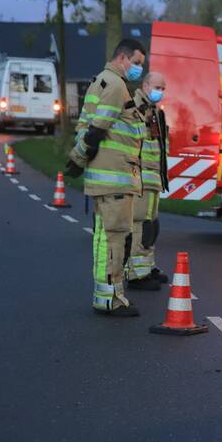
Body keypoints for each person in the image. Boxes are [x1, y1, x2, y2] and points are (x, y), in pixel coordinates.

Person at [66, 39, 147, 316]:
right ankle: (112, 297)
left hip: (109, 176)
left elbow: (88, 126)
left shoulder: (102, 82)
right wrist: (78, 158)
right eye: (137, 63)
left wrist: (78, 157)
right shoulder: (114, 84)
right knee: (115, 238)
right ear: (123, 58)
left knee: (105, 237)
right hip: (115, 177)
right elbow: (97, 129)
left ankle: (106, 295)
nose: (139, 69)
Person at [126, 71, 169, 290]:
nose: (160, 91)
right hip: (141, 177)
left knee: (151, 225)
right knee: (141, 225)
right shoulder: (136, 109)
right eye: (157, 87)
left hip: (152, 179)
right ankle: (136, 274)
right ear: (145, 85)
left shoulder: (155, 111)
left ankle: (147, 266)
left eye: (163, 88)